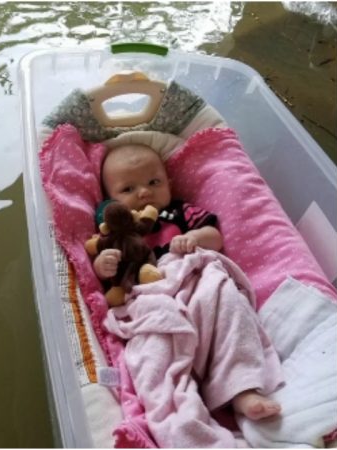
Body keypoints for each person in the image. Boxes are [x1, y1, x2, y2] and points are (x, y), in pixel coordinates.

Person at [92, 142, 283, 421]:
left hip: (193, 279)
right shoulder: (117, 232)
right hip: (150, 298)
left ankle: (242, 387)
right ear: (109, 200)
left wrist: (194, 239)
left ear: (169, 183)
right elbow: (103, 275)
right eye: (128, 190)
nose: (144, 192)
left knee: (228, 304)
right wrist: (103, 264)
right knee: (153, 349)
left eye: (153, 182)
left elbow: (215, 238)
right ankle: (182, 412)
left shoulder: (180, 212)